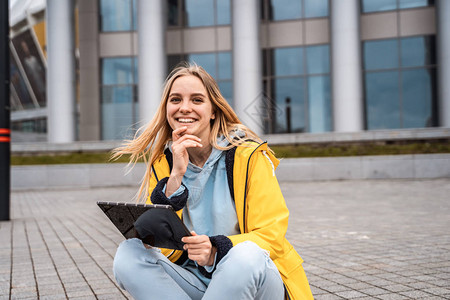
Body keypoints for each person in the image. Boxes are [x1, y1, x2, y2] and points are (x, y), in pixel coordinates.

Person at [112, 63, 313, 300]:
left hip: (255, 279)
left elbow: (272, 235)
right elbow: (164, 249)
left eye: (197, 100)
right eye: (175, 99)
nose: (184, 108)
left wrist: (215, 249)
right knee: (129, 254)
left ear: (214, 110)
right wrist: (176, 176)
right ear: (167, 108)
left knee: (246, 254)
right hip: (197, 284)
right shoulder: (164, 163)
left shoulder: (248, 156)